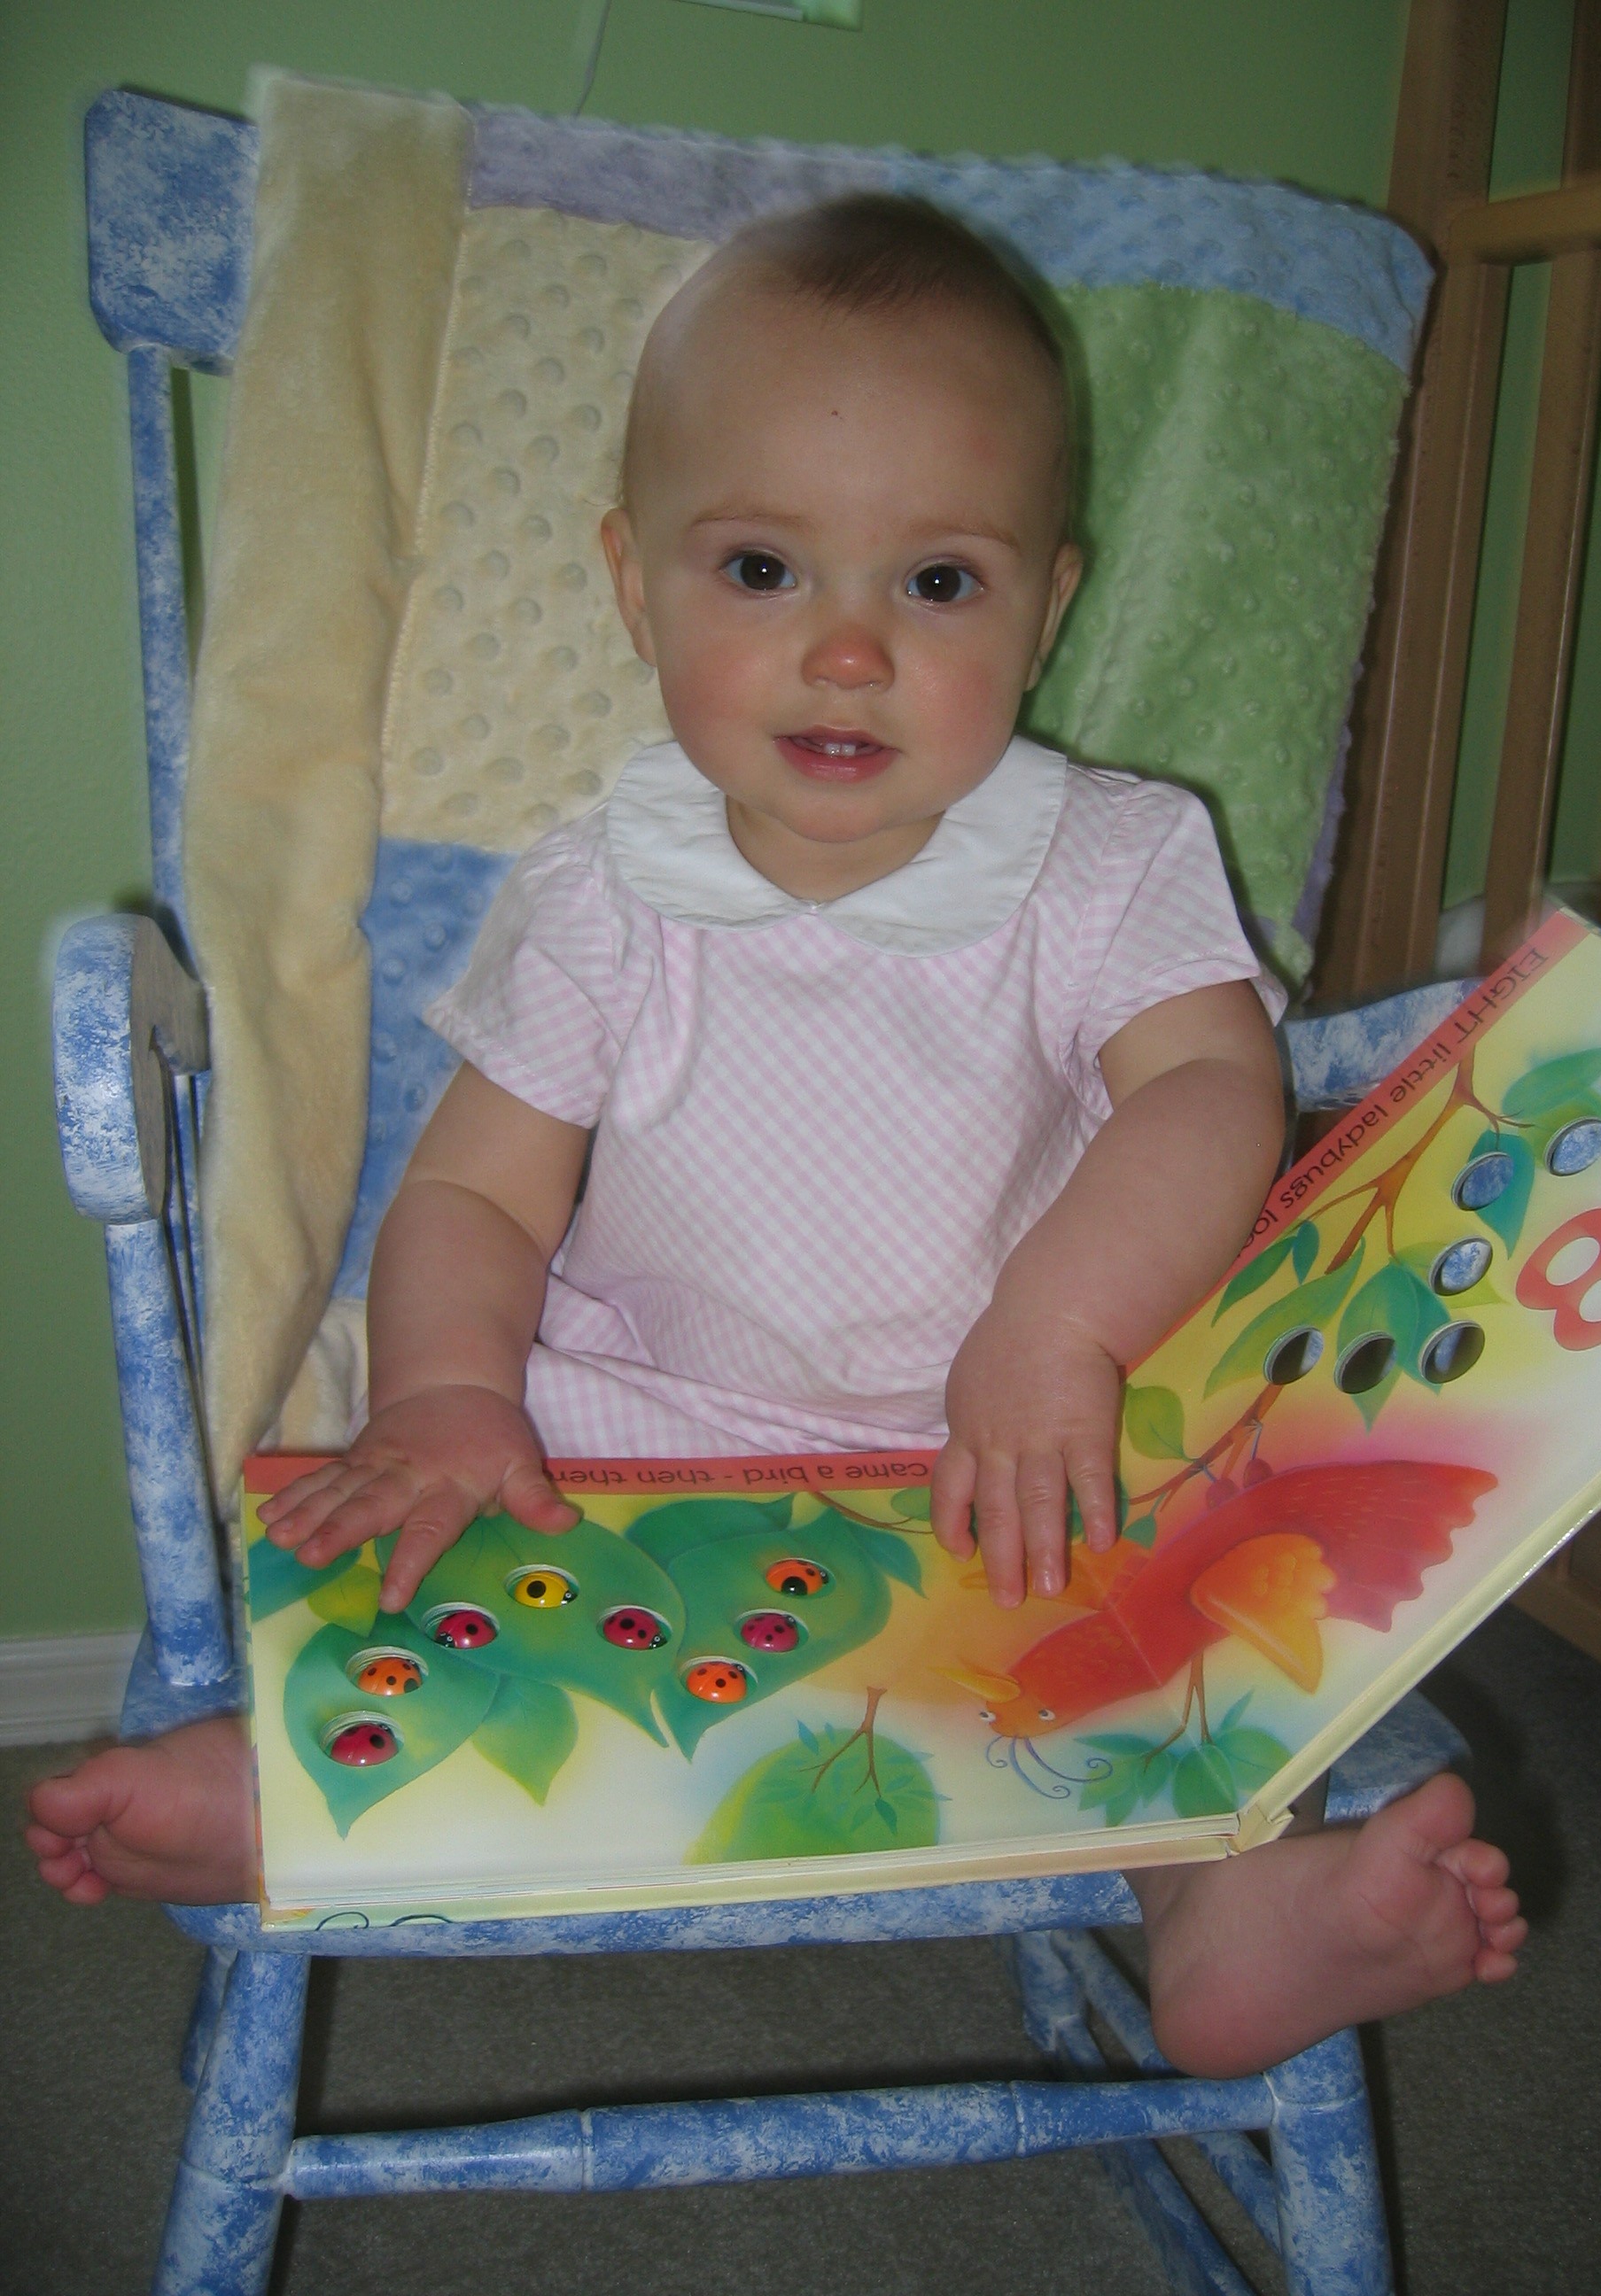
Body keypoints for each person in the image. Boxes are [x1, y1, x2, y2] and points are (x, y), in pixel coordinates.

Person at [27, 196, 1522, 2077]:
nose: (843, 653)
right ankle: (314, 1779)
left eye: (938, 584)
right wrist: (447, 1387)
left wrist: (1056, 1330)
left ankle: (1224, 1900)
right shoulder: (602, 893)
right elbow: (484, 1185)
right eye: (759, 571)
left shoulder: (1109, 859)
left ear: (1049, 606)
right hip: (668, 1429)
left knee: (1186, 1589)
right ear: (632, 582)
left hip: (1020, 1432)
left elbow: (1213, 1089)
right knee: (457, 1513)